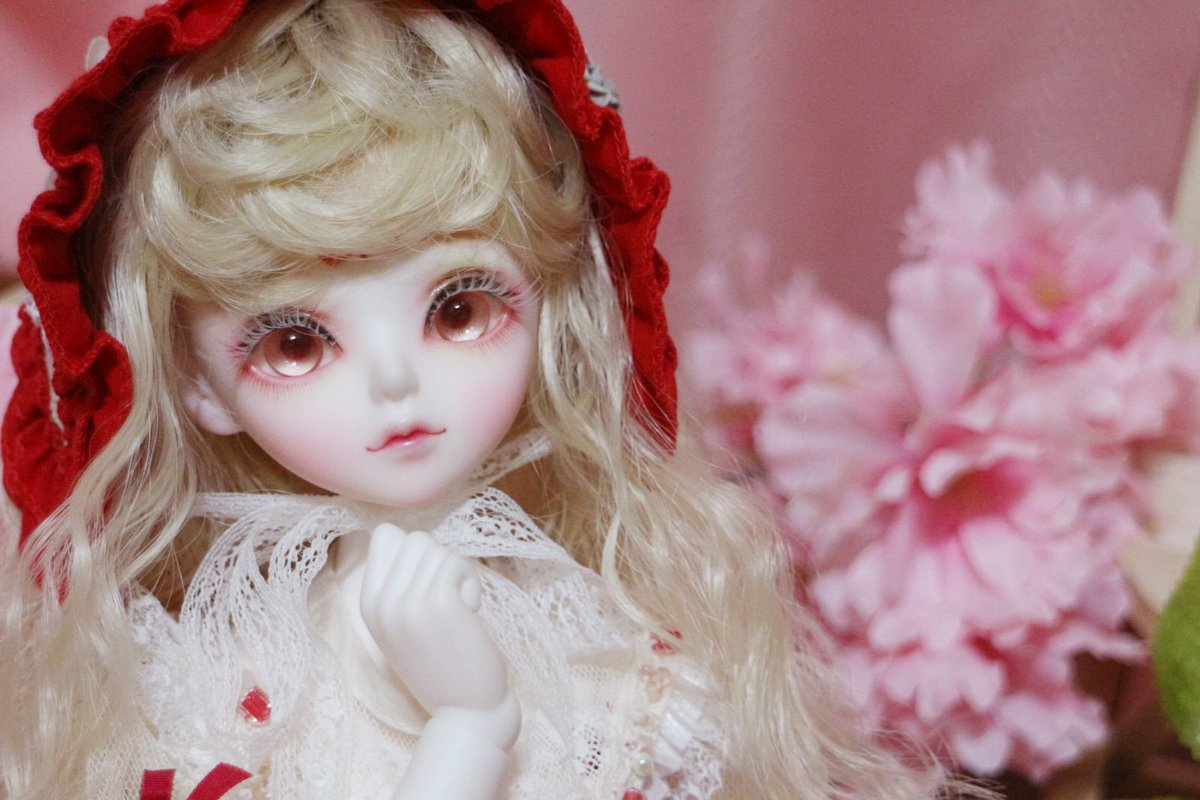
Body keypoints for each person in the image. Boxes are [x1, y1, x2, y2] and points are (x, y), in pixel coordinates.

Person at [0, 1, 939, 797]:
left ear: (553, 301)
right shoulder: (216, 692)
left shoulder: (610, 657)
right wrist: (469, 731)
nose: (396, 382)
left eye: (459, 309)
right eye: (295, 342)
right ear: (199, 387)